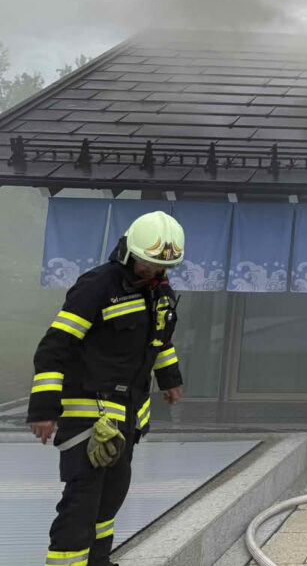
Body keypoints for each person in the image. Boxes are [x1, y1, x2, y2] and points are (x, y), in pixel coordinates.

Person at [28, 211, 185, 566]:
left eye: (163, 267)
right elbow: (55, 346)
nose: (154, 271)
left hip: (128, 415)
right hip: (88, 413)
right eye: (148, 263)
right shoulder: (98, 285)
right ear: (130, 251)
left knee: (110, 500)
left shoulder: (160, 292)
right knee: (82, 499)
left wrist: (170, 380)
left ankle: (98, 561)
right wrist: (43, 410)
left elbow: (160, 340)